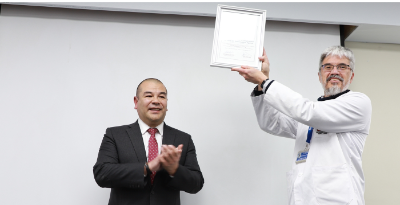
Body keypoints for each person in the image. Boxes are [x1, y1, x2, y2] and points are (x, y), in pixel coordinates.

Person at [231, 46, 371, 205]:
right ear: (319, 76)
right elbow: (271, 123)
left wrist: (264, 81)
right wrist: (261, 84)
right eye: (328, 67)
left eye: (342, 67)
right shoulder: (311, 113)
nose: (334, 71)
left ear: (351, 76)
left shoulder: (358, 103)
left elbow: (309, 112)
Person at [93, 78, 204, 205]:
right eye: (149, 95)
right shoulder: (115, 135)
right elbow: (102, 174)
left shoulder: (183, 139)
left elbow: (197, 184)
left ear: (166, 103)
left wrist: (174, 169)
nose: (156, 101)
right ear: (136, 102)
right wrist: (148, 167)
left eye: (161, 97)